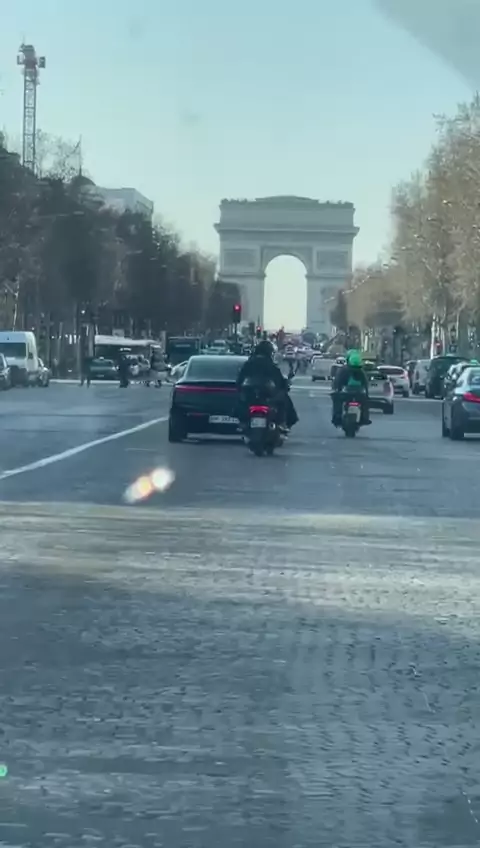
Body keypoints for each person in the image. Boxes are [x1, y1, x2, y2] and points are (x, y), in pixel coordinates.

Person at [237, 340, 298, 428]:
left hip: (252, 396)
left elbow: (240, 379)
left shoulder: (248, 364)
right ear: (270, 352)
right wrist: (284, 386)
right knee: (284, 399)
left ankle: (242, 421)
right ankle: (284, 423)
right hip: (267, 396)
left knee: (240, 401)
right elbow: (279, 381)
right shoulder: (271, 365)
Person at [331, 349, 371, 426]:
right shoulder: (361, 371)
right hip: (359, 394)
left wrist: (337, 390)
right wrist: (366, 394)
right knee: (365, 403)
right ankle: (364, 418)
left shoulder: (343, 370)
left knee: (336, 400)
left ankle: (337, 416)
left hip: (346, 393)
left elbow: (337, 381)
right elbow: (366, 384)